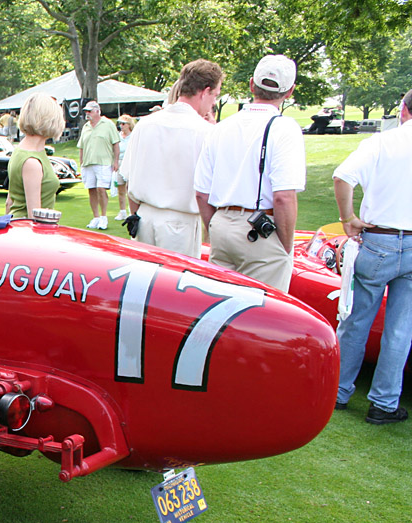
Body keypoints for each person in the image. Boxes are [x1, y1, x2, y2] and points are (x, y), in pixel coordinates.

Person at [331, 88, 412, 424]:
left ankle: (337, 390)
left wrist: (348, 218)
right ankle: (384, 401)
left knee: (355, 318)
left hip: (378, 239)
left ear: (403, 110)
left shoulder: (382, 142)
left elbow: (343, 176)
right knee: (400, 329)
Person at [195, 55, 304, 291]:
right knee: (263, 316)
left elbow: (201, 193)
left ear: (252, 84)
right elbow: (284, 196)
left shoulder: (220, 128)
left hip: (222, 224)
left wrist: (215, 228)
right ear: (289, 91)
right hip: (260, 230)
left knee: (221, 308)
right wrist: (285, 246)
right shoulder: (285, 128)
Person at [121, 59, 222, 258]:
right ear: (205, 92)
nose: (213, 103)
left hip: (145, 218)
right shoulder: (206, 132)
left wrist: (135, 215)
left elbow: (129, 180)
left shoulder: (145, 125)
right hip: (179, 225)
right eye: (215, 96)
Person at [5, 93, 65, 219]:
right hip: (28, 231)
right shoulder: (31, 162)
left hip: (17, 227)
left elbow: (9, 203)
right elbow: (34, 216)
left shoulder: (21, 151)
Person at [77, 100, 120, 230]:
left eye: (89, 111)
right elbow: (81, 146)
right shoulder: (86, 127)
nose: (87, 114)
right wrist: (82, 163)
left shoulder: (108, 124)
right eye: (86, 111)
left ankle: (103, 217)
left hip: (104, 162)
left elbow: (116, 144)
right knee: (91, 189)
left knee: (101, 189)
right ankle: (95, 217)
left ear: (97, 111)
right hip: (88, 163)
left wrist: (116, 161)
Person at [111, 114, 135, 221]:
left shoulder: (133, 136)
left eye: (123, 124)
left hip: (130, 163)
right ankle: (122, 211)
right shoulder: (118, 136)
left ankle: (132, 211)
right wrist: (115, 162)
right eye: (120, 124)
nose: (121, 126)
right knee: (121, 189)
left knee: (130, 189)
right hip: (120, 162)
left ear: (129, 125)